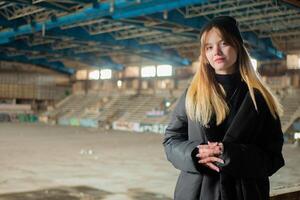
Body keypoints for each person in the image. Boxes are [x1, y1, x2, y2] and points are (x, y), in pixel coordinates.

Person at [163, 16, 285, 200]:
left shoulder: (260, 99)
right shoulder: (192, 94)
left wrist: (230, 154)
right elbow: (171, 141)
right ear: (204, 54)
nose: (216, 51)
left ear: (237, 46)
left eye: (224, 43)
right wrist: (194, 153)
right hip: (195, 193)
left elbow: (272, 158)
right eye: (209, 47)